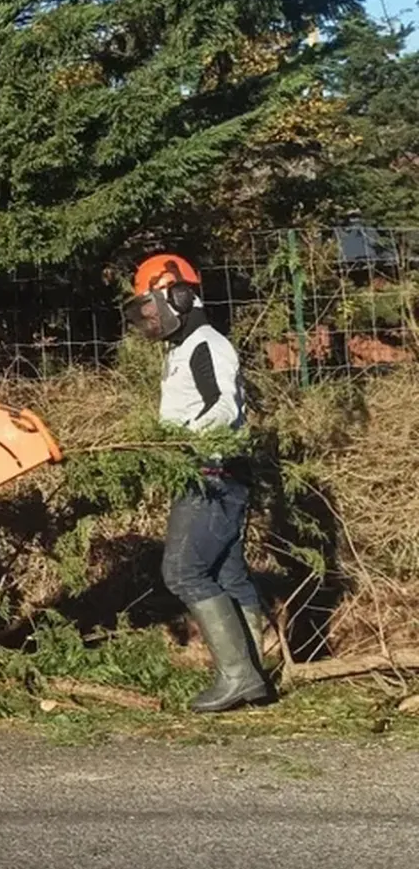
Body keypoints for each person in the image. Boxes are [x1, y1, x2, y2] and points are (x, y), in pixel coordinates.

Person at [128, 252, 270, 713]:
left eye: (150, 305)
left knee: (183, 572)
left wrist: (185, 444)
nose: (146, 316)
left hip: (211, 473)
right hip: (211, 472)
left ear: (180, 295)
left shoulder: (208, 344)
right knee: (227, 574)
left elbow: (223, 406)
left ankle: (238, 675)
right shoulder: (183, 349)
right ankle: (256, 675)